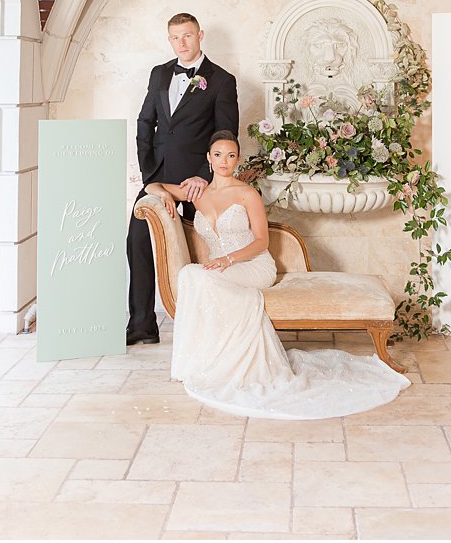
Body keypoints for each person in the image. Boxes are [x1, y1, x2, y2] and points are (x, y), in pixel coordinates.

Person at [145, 131, 411, 419]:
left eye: (231, 155)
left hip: (253, 265)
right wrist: (162, 193)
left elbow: (262, 241)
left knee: (196, 277)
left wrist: (228, 259)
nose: (224, 161)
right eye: (218, 155)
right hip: (222, 268)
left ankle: (232, 363)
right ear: (208, 159)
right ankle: (206, 362)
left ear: (238, 160)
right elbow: (151, 185)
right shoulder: (197, 192)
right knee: (190, 276)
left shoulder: (247, 194)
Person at [126, 12, 239, 346]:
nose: (182, 43)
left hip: (197, 181)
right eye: (175, 37)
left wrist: (205, 177)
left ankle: (204, 325)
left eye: (187, 36)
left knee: (202, 247)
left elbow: (225, 135)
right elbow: (145, 123)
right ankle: (142, 325)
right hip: (159, 177)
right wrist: (150, 177)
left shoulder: (221, 80)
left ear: (200, 35)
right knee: (137, 242)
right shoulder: (160, 73)